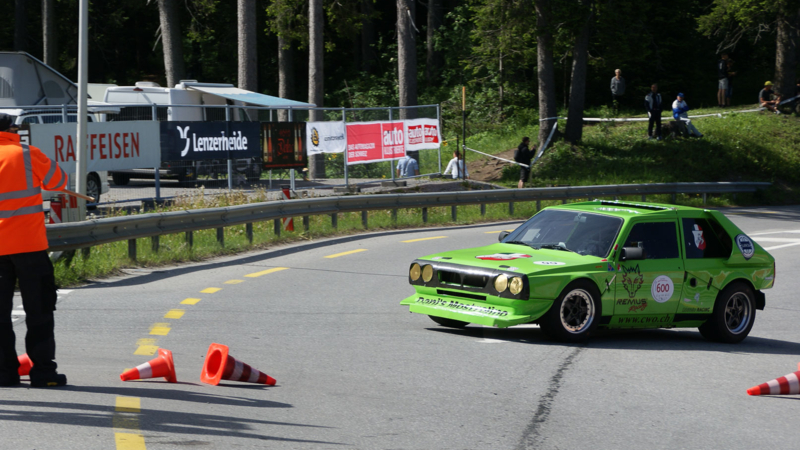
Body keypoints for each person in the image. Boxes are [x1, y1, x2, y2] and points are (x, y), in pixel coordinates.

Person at [0, 113, 69, 387]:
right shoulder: (27, 154)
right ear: (13, 130)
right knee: (39, 309)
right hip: (29, 246)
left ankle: (4, 373)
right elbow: (58, 181)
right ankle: (42, 372)